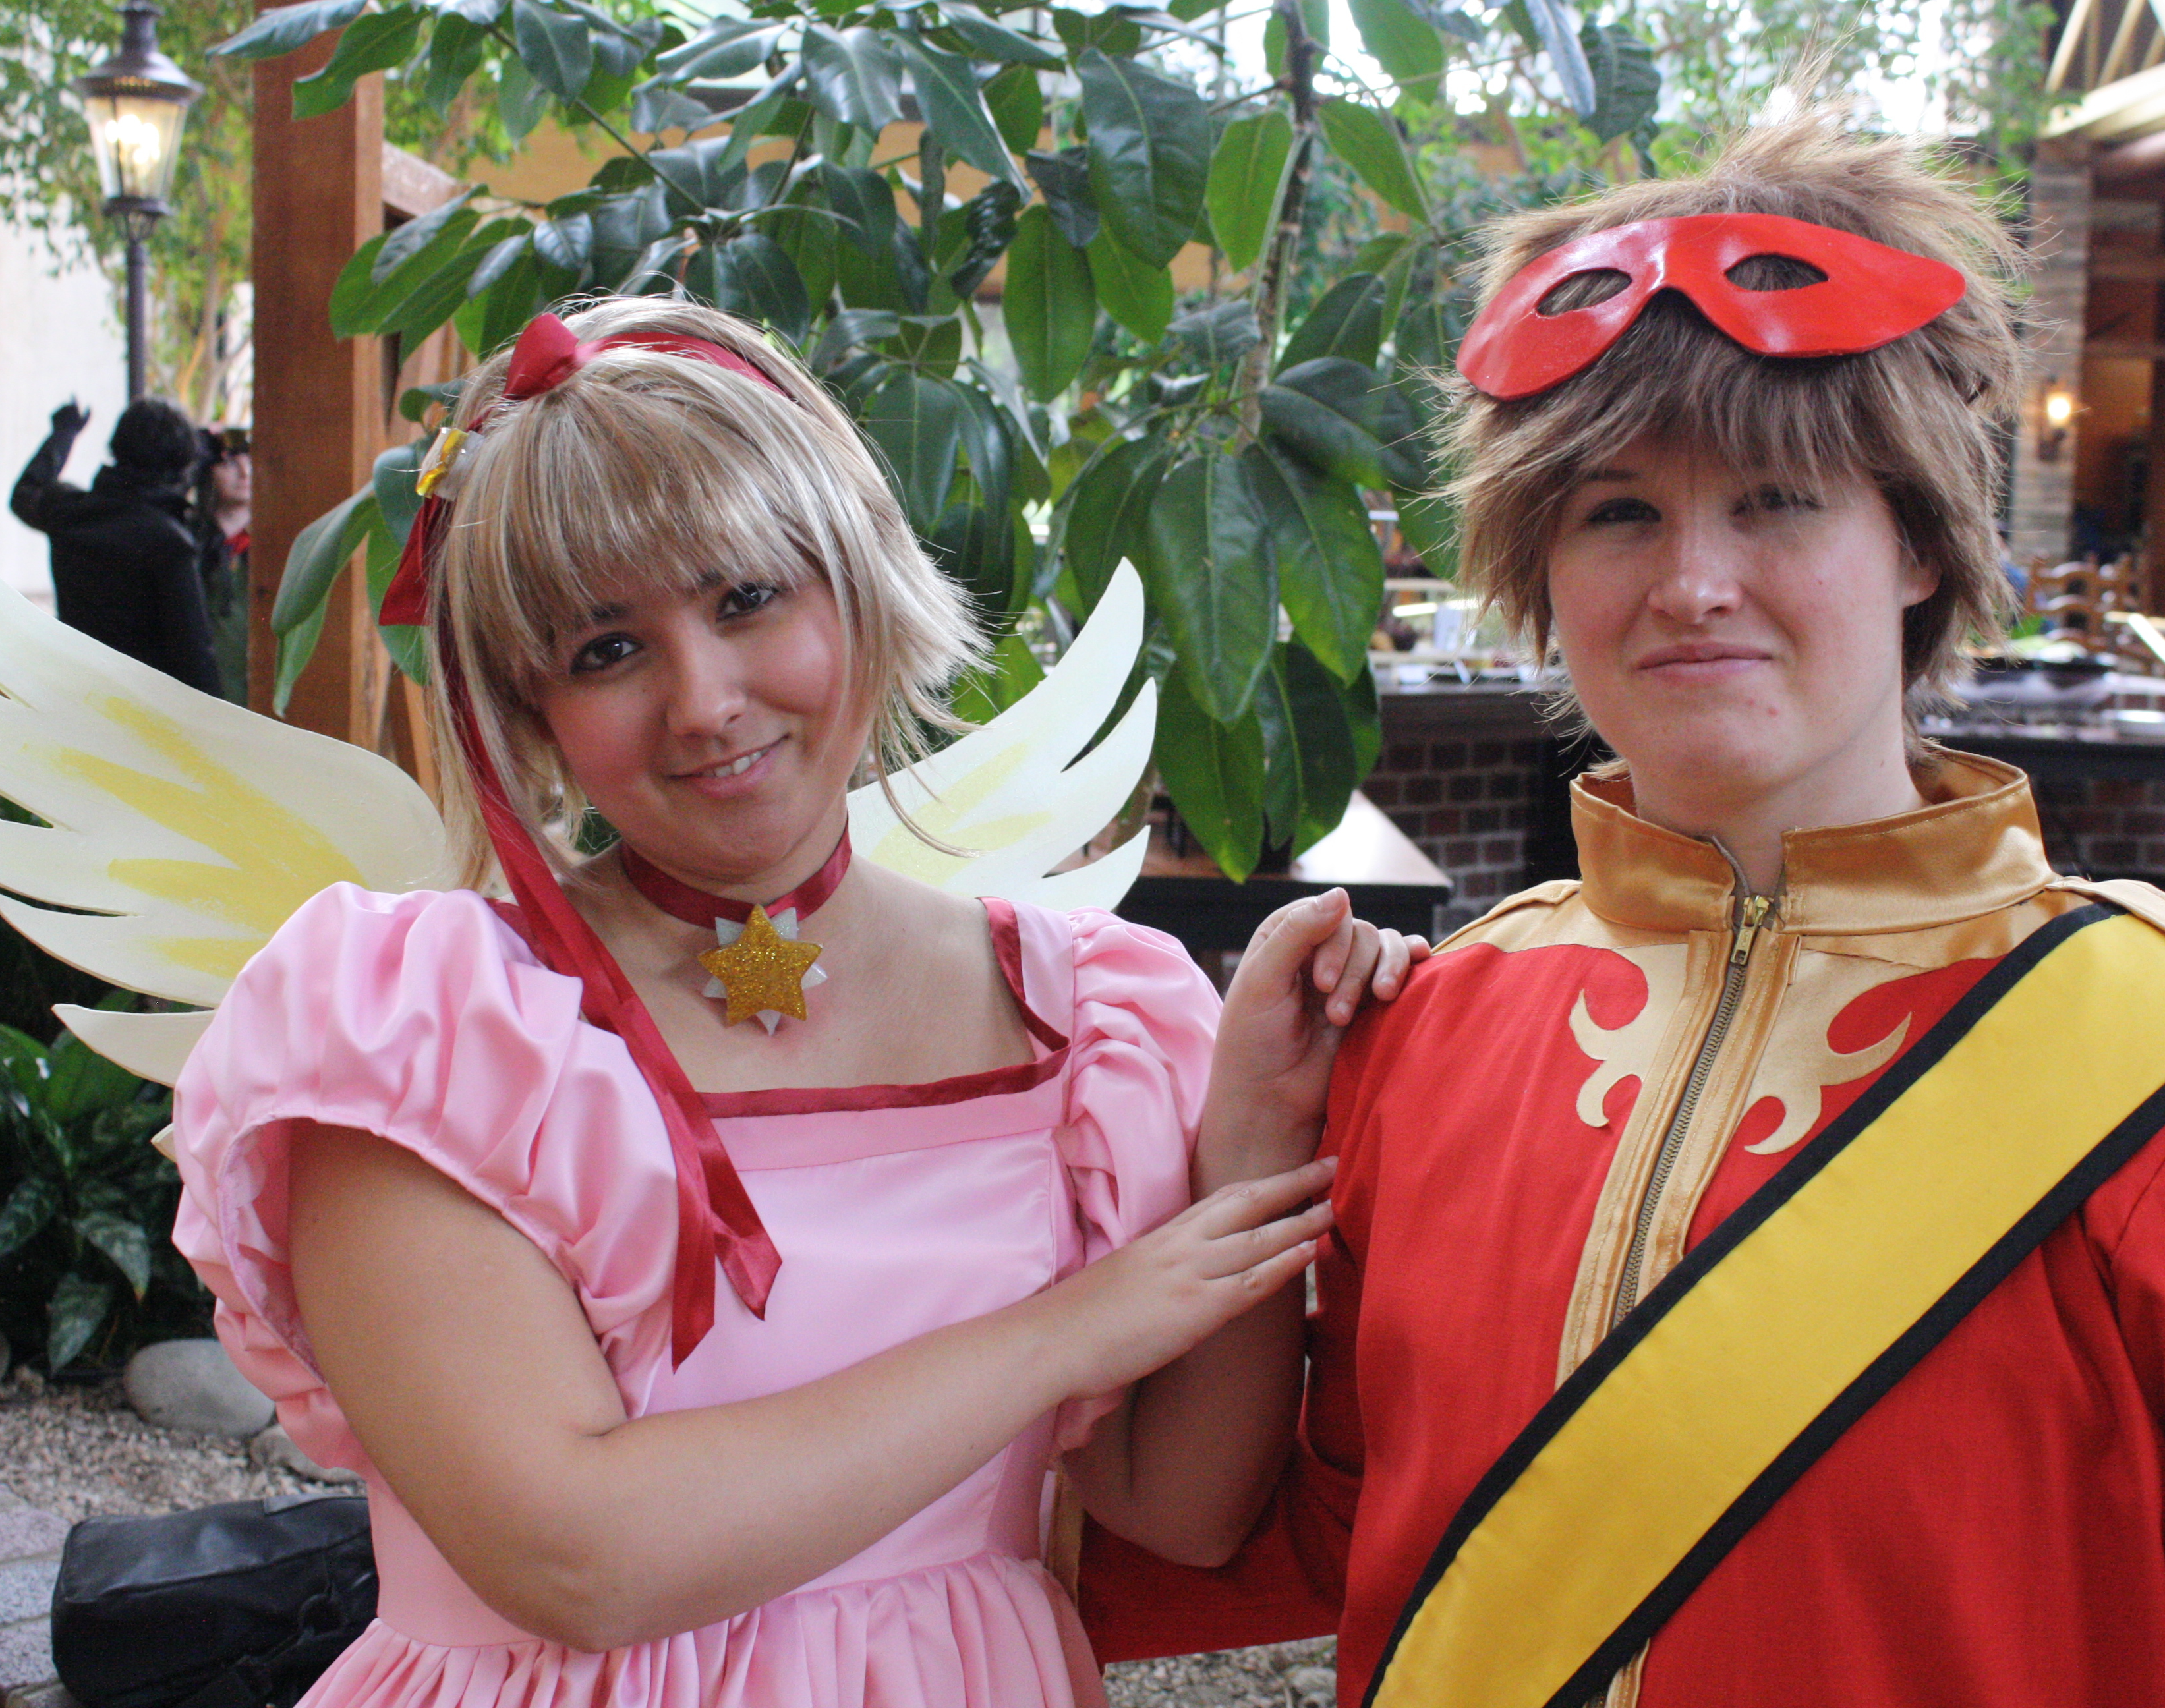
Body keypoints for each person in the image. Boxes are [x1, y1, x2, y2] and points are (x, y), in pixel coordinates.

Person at [1082, 113, 2165, 1707]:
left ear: (1918, 542)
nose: (1691, 582)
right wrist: (1248, 1133)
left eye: (1776, 499)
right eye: (1617, 512)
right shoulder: (1425, 1034)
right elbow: (1296, 1531)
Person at [165, 301, 1426, 1708]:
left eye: (746, 598)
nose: (704, 701)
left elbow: (1182, 1508)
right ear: (531, 711)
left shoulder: (1082, 1016)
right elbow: (577, 1559)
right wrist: (1064, 1332)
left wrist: (1252, 1128)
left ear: (860, 586)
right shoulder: (422, 1029)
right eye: (605, 650)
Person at [10, 397, 223, 695]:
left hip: (79, 688)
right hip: (145, 703)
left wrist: (64, 433)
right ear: (182, 463)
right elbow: (194, 650)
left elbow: (27, 492)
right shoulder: (169, 543)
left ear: (117, 447)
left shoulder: (71, 513)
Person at [197, 426, 252, 707]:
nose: (244, 473)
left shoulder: (273, 546)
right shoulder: (189, 538)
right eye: (230, 463)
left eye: (250, 461)